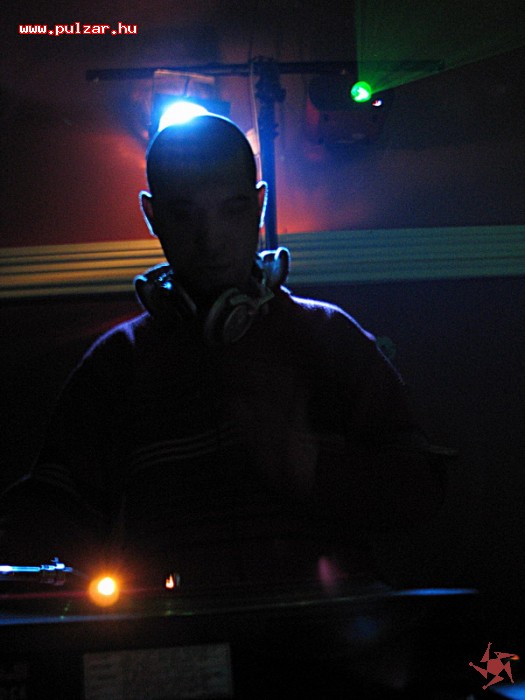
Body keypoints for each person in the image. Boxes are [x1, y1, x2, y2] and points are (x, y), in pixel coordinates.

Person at [0, 114, 443, 591]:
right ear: (152, 216)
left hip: (327, 631)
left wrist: (313, 469)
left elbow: (421, 492)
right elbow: (50, 521)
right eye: (184, 214)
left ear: (260, 205)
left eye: (232, 209)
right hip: (174, 635)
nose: (210, 239)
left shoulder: (332, 338)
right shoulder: (115, 365)